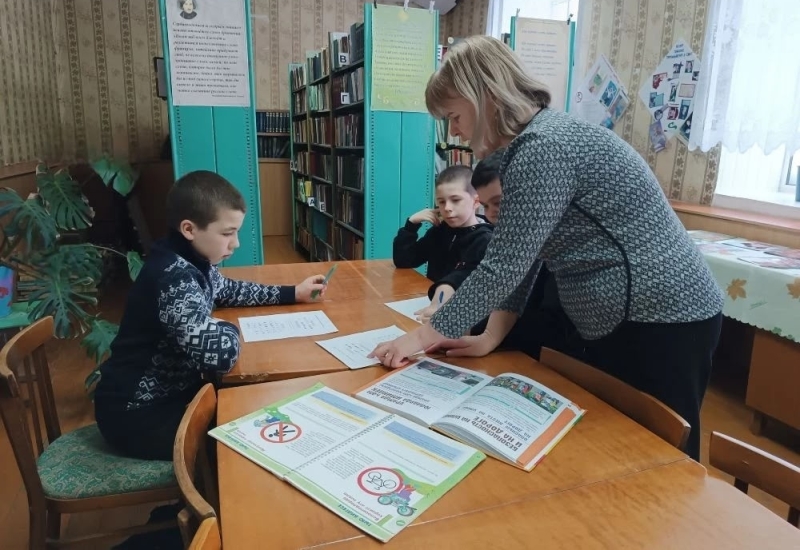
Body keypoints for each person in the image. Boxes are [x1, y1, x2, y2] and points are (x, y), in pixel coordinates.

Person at [369, 36, 724, 461]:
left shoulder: (543, 147)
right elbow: (523, 256)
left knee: (661, 457)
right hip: (639, 312)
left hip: (664, 313)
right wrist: (490, 335)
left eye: (454, 116)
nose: (454, 131)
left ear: (484, 95)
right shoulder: (532, 144)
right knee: (623, 449)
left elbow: (503, 267)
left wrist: (421, 337)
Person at [94, 170, 326, 461]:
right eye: (227, 233)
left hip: (172, 395)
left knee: (258, 412)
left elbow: (226, 289)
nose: (236, 243)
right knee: (250, 440)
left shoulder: (189, 259)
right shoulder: (173, 277)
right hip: (139, 415)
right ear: (189, 229)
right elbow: (219, 356)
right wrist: (227, 327)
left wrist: (292, 292)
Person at [468, 150, 578, 360]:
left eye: (498, 202)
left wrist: (477, 329)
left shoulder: (548, 241)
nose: (490, 213)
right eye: (486, 206)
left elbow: (544, 323)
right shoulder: (504, 237)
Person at [393, 165, 493, 322]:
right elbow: (404, 260)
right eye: (441, 202)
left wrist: (440, 305)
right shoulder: (440, 231)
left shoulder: (485, 240)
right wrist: (411, 226)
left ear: (476, 202)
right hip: (429, 304)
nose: (447, 208)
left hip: (460, 316)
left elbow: (464, 278)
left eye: (455, 200)